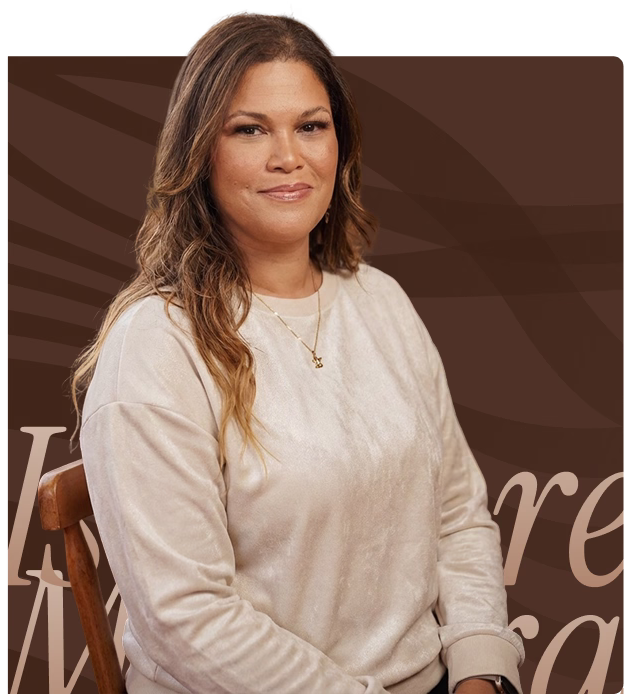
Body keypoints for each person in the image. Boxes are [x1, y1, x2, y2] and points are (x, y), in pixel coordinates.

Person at [71, 11, 525, 694]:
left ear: (340, 145)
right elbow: (186, 618)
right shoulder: (156, 345)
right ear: (199, 152)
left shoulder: (382, 302)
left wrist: (481, 671)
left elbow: (457, 516)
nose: (289, 156)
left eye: (311, 126)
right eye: (250, 129)